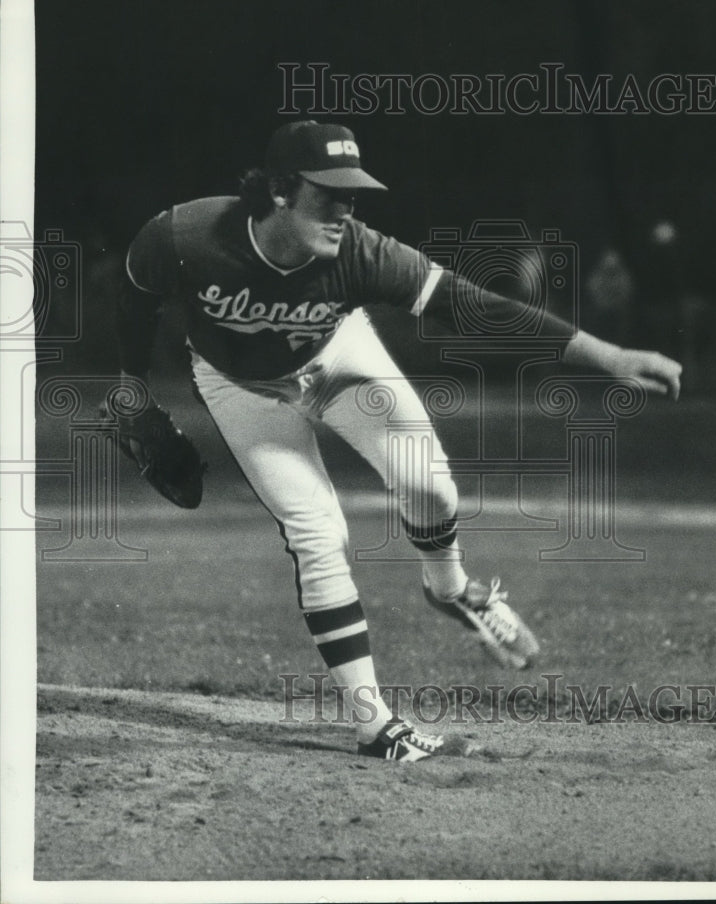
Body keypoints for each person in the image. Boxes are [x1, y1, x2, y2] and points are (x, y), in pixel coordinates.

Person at [115, 120, 682, 762]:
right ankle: (375, 725)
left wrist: (605, 354)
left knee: (429, 484)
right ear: (277, 189)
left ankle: (450, 588)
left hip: (337, 357)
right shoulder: (184, 236)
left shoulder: (362, 253)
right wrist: (131, 386)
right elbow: (134, 300)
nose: (344, 209)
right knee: (316, 532)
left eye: (352, 195)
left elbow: (476, 306)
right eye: (327, 193)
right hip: (238, 384)